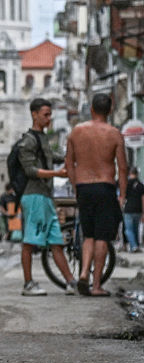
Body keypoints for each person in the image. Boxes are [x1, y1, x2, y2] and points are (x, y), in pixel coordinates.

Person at [65, 93, 128, 296]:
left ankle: (84, 272)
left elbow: (69, 163)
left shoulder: (76, 132)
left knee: (88, 235)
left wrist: (76, 187)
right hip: (105, 187)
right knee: (102, 237)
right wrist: (122, 196)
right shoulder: (115, 134)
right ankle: (96, 285)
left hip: (84, 187)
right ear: (110, 111)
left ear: (91, 109)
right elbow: (123, 168)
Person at [17, 98, 76, 296]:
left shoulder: (42, 138)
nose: (49, 119)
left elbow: (53, 157)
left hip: (46, 196)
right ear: (34, 114)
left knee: (56, 241)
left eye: (50, 115)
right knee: (30, 241)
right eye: (46, 115)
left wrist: (73, 158)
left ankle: (70, 281)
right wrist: (57, 174)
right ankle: (28, 284)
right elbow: (30, 170)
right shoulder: (28, 141)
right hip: (34, 196)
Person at [122, 167, 144, 253]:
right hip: (138, 210)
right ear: (137, 174)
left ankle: (134, 246)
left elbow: (123, 197)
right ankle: (135, 246)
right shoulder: (141, 185)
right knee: (135, 229)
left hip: (128, 209)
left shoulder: (126, 184)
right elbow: (143, 199)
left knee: (128, 230)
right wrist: (143, 212)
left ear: (130, 173)